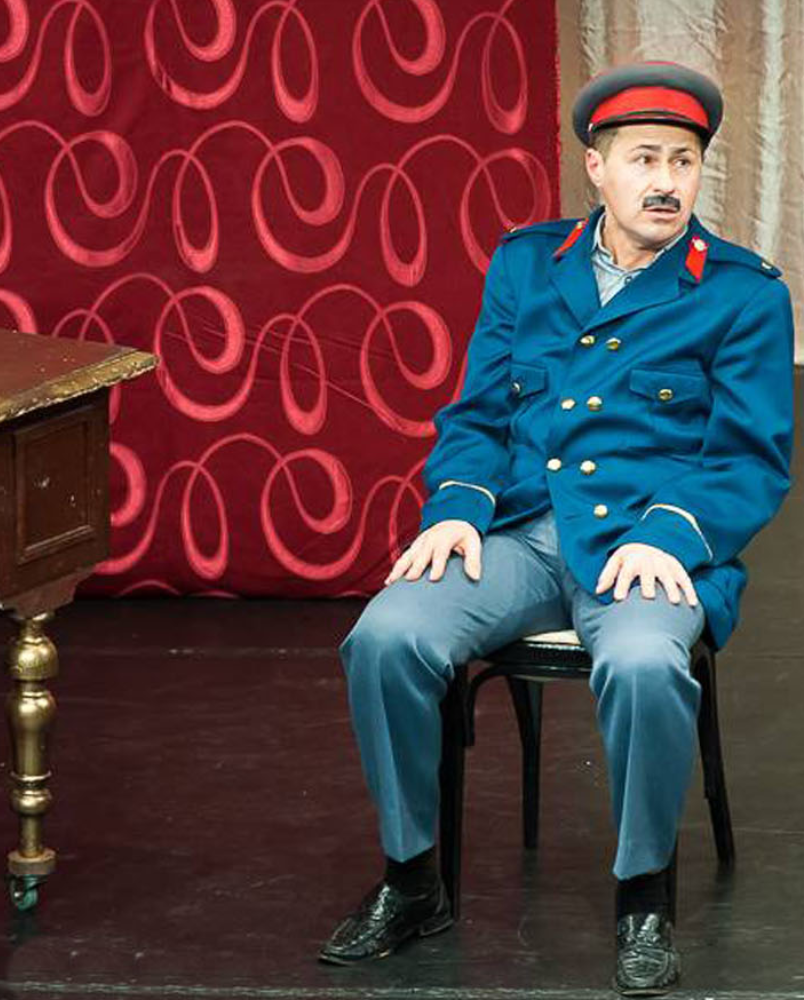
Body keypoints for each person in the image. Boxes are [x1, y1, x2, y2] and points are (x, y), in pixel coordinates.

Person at [318, 62, 793, 997]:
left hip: (647, 548)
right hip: (527, 534)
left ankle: (643, 897)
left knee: (647, 665)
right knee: (387, 636)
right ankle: (413, 879)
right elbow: (478, 414)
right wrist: (457, 510)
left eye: (685, 161)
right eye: (645, 158)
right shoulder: (529, 264)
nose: (667, 180)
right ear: (596, 167)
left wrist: (670, 536)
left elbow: (749, 459)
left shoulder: (744, 294)